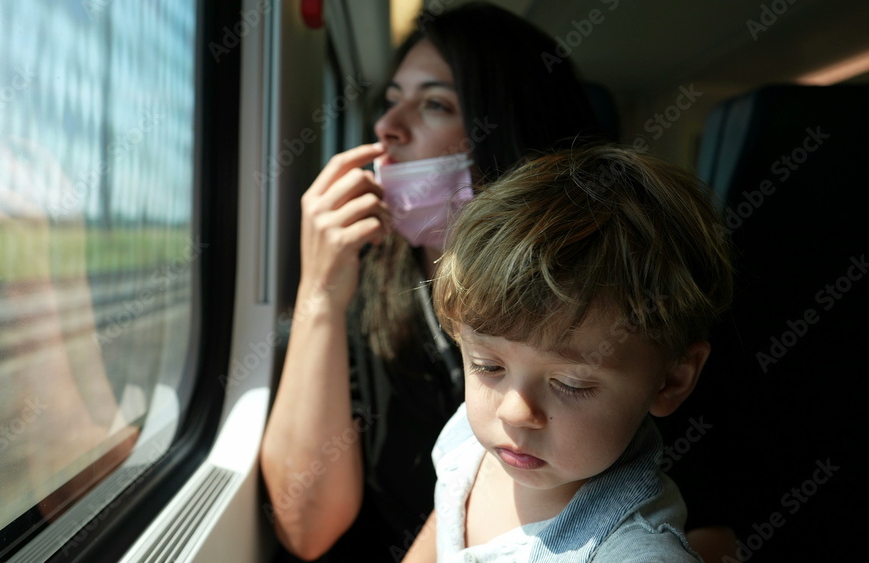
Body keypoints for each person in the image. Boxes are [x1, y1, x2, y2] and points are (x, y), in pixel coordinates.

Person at [259, 3, 601, 562]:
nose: (387, 127)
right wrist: (319, 293)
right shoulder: (362, 288)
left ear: (507, 133)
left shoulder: (597, 297)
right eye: (391, 100)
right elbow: (305, 527)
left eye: (434, 104)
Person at [401, 145, 734, 561]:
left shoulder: (633, 553)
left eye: (570, 384)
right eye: (488, 366)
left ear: (671, 379)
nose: (513, 411)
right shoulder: (470, 445)